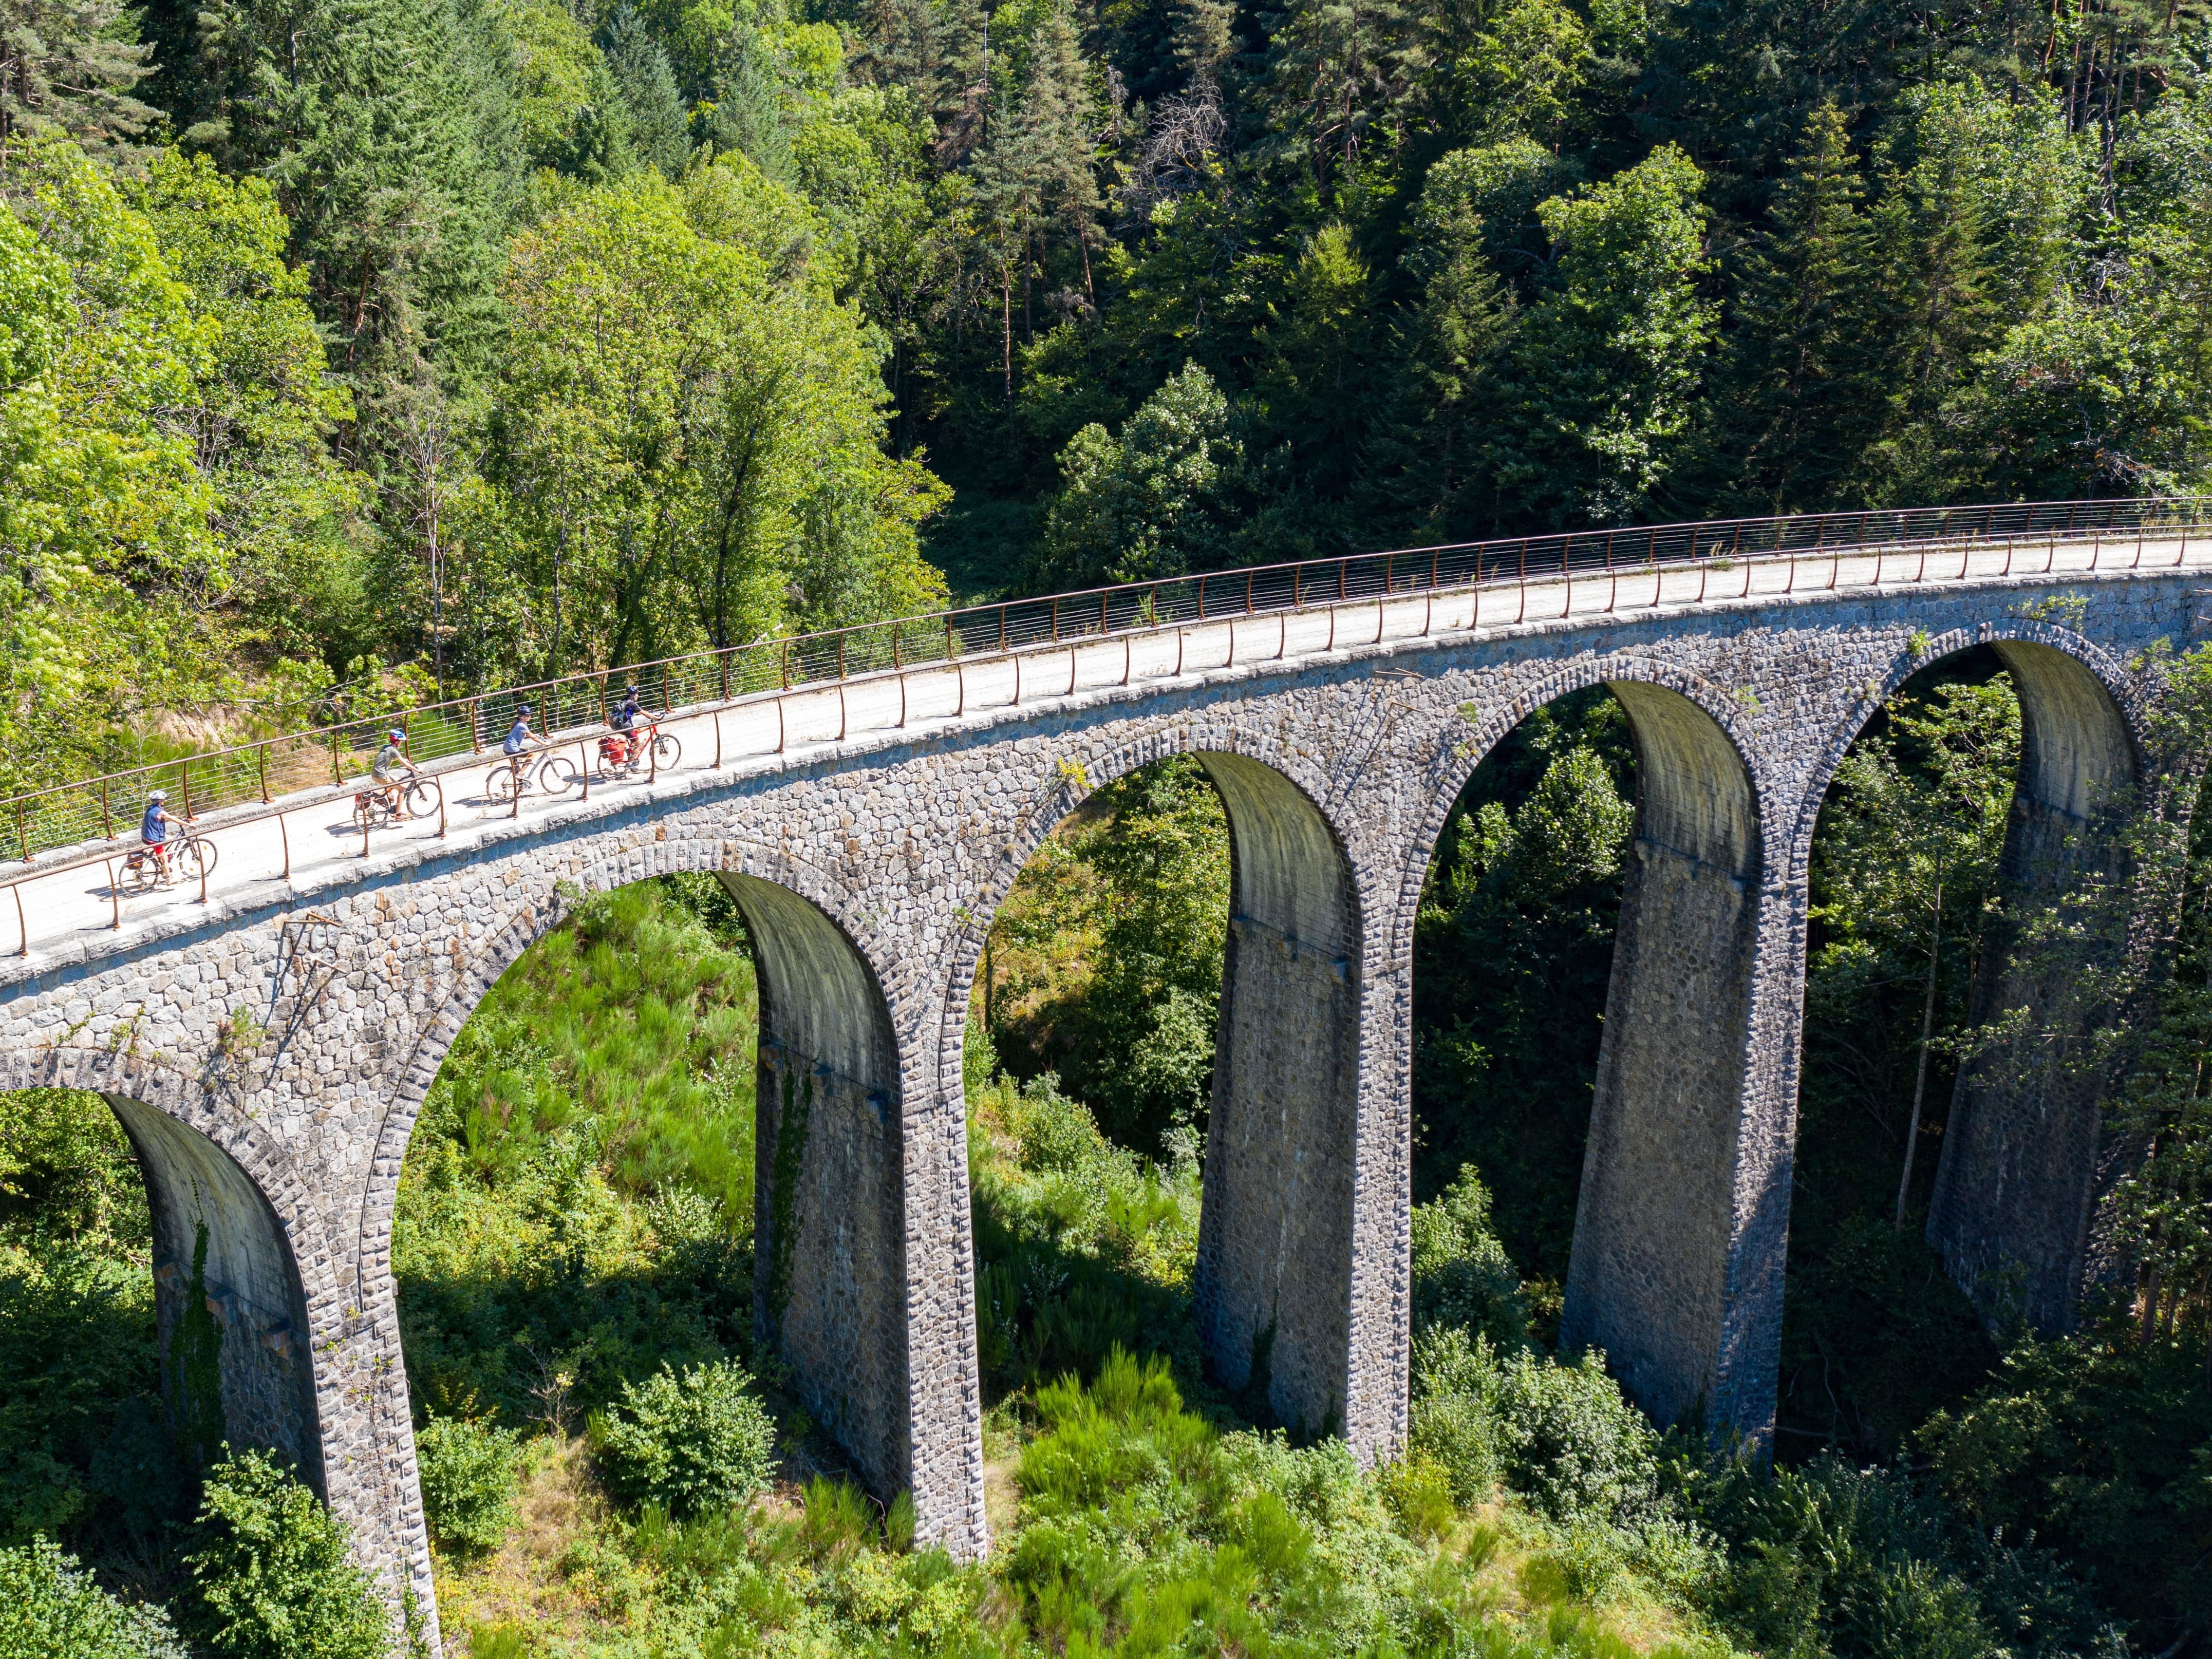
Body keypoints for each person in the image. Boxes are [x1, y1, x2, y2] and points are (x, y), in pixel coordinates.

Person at [370, 728, 416, 814]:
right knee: (402, 790)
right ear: (398, 741)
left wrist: (404, 760)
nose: (401, 743)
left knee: (397, 779)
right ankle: (399, 815)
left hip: (375, 774)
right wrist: (417, 770)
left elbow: (397, 758)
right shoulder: (394, 750)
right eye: (401, 741)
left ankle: (380, 797)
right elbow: (405, 765)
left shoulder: (387, 747)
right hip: (381, 776)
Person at [137, 790, 174, 879]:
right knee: (164, 859)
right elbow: (172, 819)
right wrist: (188, 824)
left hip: (146, 837)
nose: (165, 801)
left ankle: (156, 855)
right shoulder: (160, 812)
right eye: (164, 799)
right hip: (154, 839)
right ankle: (168, 879)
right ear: (161, 800)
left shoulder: (151, 808)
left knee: (171, 838)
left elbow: (169, 817)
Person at [610, 684, 645, 763]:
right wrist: (656, 718)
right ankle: (630, 764)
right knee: (639, 746)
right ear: (632, 695)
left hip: (620, 726)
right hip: (625, 728)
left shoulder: (624, 701)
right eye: (637, 694)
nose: (638, 696)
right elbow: (643, 712)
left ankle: (632, 752)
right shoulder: (631, 704)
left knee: (637, 729)